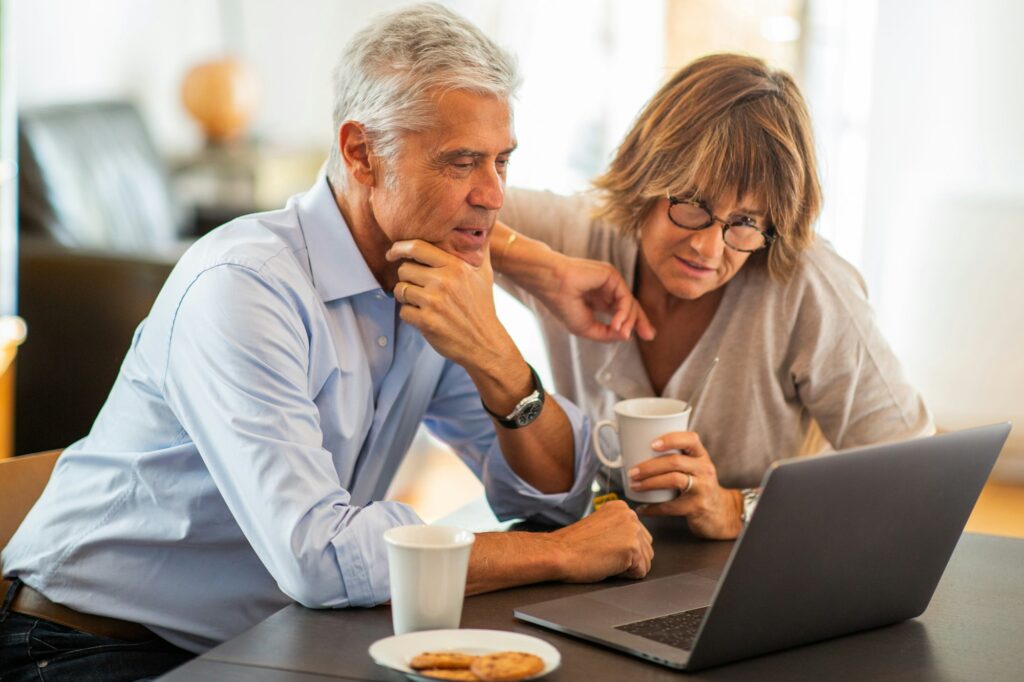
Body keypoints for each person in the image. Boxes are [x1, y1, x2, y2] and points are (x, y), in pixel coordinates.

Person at [0, 5, 653, 679]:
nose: (493, 194)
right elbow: (320, 556)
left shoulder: (431, 276)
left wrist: (501, 362)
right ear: (360, 153)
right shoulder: (246, 287)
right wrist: (559, 556)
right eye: (462, 163)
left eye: (502, 161)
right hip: (85, 647)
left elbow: (550, 500)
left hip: (265, 639)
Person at [491, 53, 934, 540]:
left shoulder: (808, 288)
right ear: (645, 177)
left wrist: (738, 508)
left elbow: (913, 476)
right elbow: (419, 210)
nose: (707, 246)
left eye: (745, 222)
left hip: (766, 564)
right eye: (693, 204)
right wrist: (542, 266)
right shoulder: (581, 235)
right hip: (608, 557)